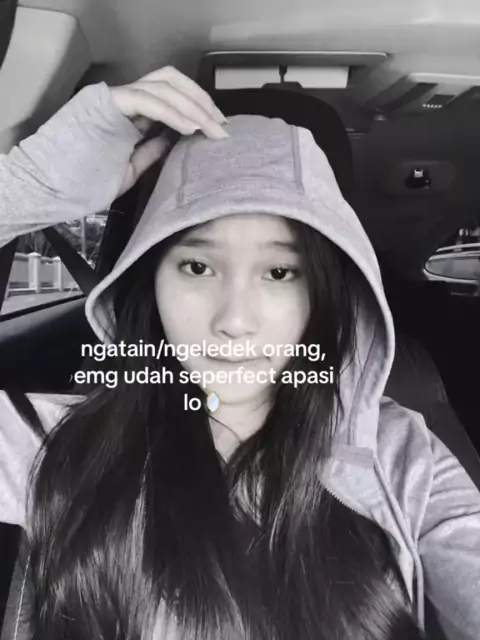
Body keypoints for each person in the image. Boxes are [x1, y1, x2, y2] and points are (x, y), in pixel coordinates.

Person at [0, 65, 479, 640]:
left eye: (279, 272)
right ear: (150, 282)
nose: (234, 321)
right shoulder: (56, 445)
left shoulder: (400, 457)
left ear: (325, 293)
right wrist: (26, 188)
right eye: (197, 266)